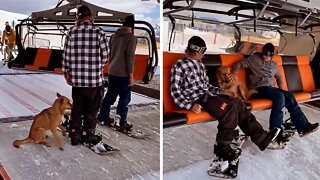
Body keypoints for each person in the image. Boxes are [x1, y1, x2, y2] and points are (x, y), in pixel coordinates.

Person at [170, 36, 280, 161]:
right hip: (197, 99)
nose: (203, 55)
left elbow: (206, 86)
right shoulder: (179, 66)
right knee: (228, 108)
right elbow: (175, 92)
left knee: (237, 103)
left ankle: (260, 137)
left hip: (209, 95)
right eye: (202, 52)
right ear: (195, 51)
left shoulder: (199, 64)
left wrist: (222, 91)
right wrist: (190, 105)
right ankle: (223, 146)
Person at [230, 43, 319, 142]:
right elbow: (239, 63)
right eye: (264, 53)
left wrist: (282, 89)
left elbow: (279, 77)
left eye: (268, 54)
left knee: (289, 96)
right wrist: (234, 72)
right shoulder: (254, 59)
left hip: (269, 89)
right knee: (279, 96)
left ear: (272, 54)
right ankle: (276, 129)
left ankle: (303, 127)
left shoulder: (274, 65)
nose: (265, 56)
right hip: (257, 89)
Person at [62, 5, 108, 145]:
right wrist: (97, 66)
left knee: (77, 109)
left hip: (78, 81)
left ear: (79, 18)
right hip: (94, 82)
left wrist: (67, 74)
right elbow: (105, 57)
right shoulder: (99, 32)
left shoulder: (71, 32)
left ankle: (75, 135)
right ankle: (89, 135)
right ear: (90, 17)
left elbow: (66, 56)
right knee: (92, 110)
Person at [98, 15, 137, 132]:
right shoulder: (131, 38)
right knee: (124, 99)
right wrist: (131, 76)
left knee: (110, 95)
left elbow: (110, 54)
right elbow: (129, 58)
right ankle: (120, 122)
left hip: (112, 71)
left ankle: (103, 116)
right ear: (132, 26)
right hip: (123, 74)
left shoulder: (114, 36)